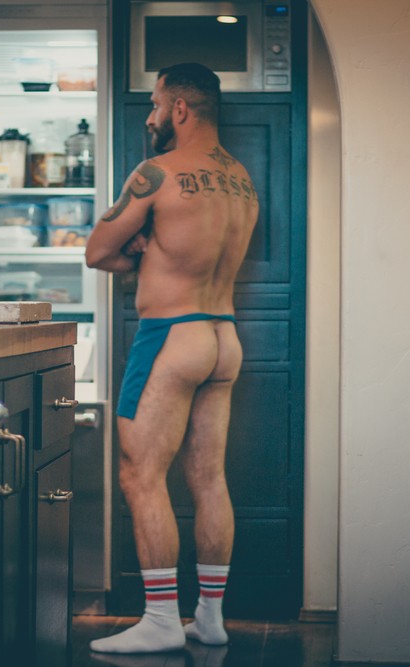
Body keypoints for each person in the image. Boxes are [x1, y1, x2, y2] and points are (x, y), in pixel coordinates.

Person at [84, 62, 259, 654]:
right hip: (223, 338)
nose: (151, 117)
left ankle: (161, 619)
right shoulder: (241, 182)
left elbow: (96, 252)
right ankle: (209, 617)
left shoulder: (156, 174)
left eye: (156, 105)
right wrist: (154, 248)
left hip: (171, 336)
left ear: (180, 108)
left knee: (140, 474)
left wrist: (139, 252)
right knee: (209, 478)